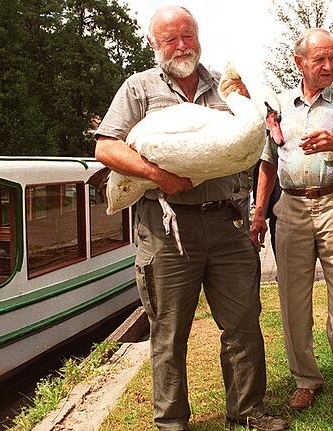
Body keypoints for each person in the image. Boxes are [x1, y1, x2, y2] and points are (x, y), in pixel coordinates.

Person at [94, 6, 287, 431]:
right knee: (168, 330)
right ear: (153, 44)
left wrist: (257, 211)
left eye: (188, 36)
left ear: (199, 36)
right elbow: (106, 149)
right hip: (167, 229)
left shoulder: (227, 88)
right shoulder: (138, 88)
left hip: (227, 224)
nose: (182, 45)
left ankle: (247, 413)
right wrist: (158, 175)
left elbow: (259, 142)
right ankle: (172, 423)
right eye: (170, 39)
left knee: (242, 324)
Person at [250, 28, 333, 412]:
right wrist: (258, 213)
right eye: (319, 59)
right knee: (292, 298)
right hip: (291, 208)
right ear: (298, 62)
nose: (327, 66)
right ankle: (305, 379)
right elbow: (268, 162)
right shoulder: (279, 107)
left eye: (332, 58)